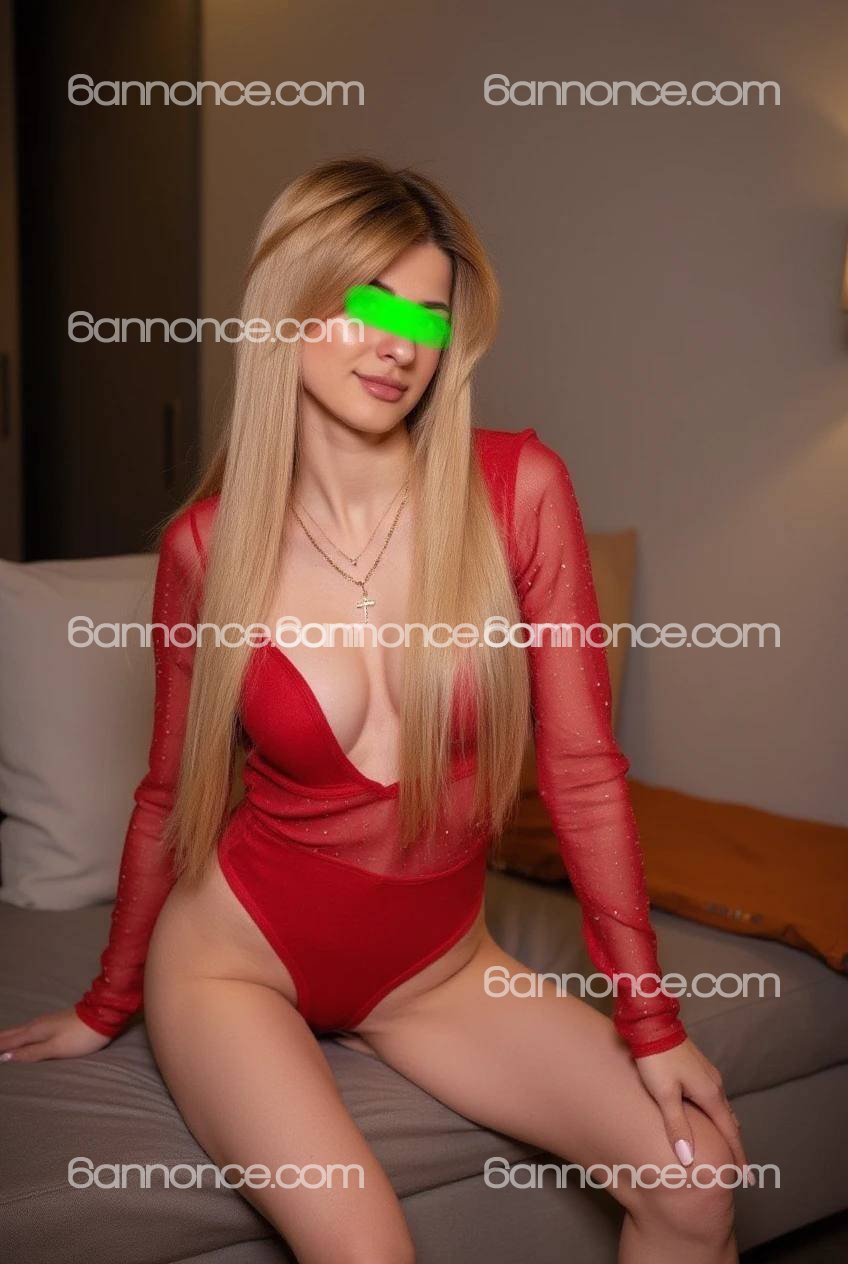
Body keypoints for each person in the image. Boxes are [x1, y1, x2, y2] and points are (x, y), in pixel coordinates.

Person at [0, 157, 746, 1264]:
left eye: (427, 316)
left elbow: (583, 773)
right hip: (233, 962)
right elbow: (165, 791)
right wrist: (108, 1003)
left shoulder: (518, 492)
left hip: (435, 967)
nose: (399, 343)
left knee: (698, 1181)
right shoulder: (205, 550)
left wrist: (651, 1019)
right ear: (289, 304)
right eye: (368, 301)